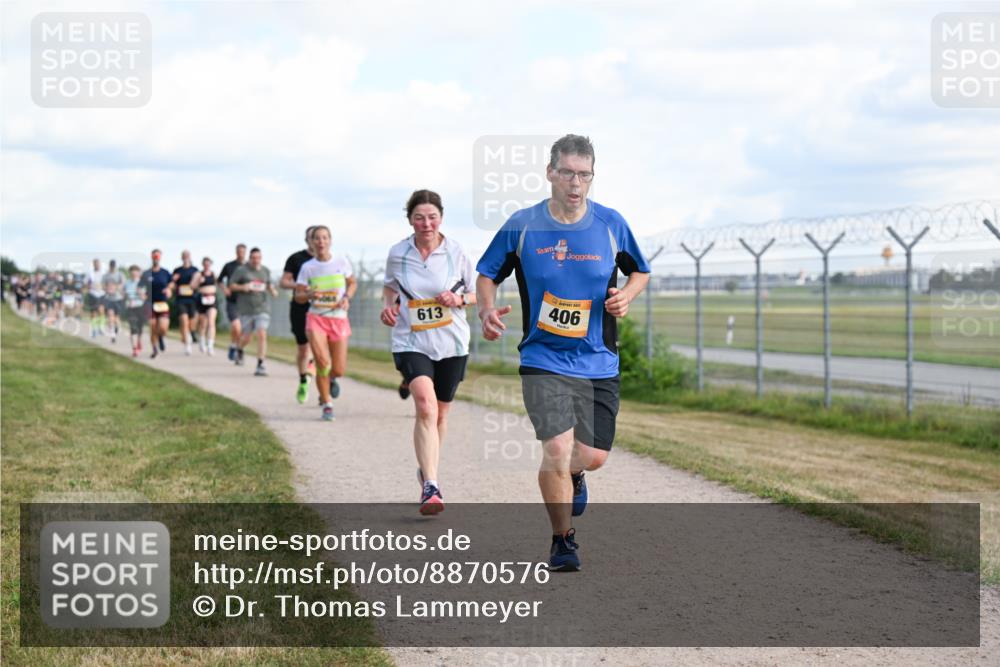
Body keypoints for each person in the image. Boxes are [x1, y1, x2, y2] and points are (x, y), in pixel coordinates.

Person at [475, 134, 650, 571]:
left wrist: (627, 295)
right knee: (555, 447)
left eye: (584, 175)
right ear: (550, 172)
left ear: (592, 178)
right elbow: (486, 273)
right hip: (542, 359)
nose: (576, 183)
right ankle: (563, 540)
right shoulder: (523, 225)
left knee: (592, 456)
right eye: (568, 172)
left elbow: (640, 271)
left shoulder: (611, 224)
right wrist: (485, 309)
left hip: (598, 360)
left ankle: (576, 474)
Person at [381, 190, 476, 515]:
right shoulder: (398, 252)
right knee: (425, 406)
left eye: (432, 216)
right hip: (411, 340)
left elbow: (477, 292)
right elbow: (391, 287)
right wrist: (388, 306)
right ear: (410, 219)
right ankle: (432, 485)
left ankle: (427, 467)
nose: (426, 223)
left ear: (441, 218)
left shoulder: (456, 251)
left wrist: (459, 300)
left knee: (441, 414)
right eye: (419, 217)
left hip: (451, 342)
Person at [295, 226, 356, 421]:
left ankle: (331, 379)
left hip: (338, 318)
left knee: (338, 369)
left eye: (324, 238)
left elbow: (352, 283)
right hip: (316, 318)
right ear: (311, 242)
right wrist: (309, 294)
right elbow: (298, 296)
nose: (320, 242)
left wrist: (347, 296)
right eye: (317, 238)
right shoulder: (308, 267)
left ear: (330, 240)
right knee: (323, 362)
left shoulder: (341, 262)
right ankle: (327, 403)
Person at [281, 227, 317, 403]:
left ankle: (325, 390)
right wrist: (300, 286)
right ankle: (304, 379)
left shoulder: (330, 261)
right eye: (313, 237)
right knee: (304, 349)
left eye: (320, 237)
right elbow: (284, 282)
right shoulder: (296, 259)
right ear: (307, 240)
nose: (317, 241)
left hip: (323, 309)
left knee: (321, 348)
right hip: (300, 307)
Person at [230, 247, 278, 375]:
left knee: (262, 333)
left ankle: (260, 364)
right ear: (249, 258)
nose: (256, 260)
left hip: (262, 308)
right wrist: (243, 287)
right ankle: (239, 349)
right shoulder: (241, 271)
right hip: (246, 309)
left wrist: (272, 290)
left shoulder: (265, 271)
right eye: (253, 258)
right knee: (246, 337)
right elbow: (231, 286)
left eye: (258, 258)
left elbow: (268, 284)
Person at [142, 249, 174, 358]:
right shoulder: (146, 273)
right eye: (154, 256)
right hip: (149, 303)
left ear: (160, 258)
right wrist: (141, 294)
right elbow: (140, 287)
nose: (156, 258)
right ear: (151, 257)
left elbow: (171, 284)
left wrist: (169, 289)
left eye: (157, 256)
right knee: (152, 326)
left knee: (163, 327)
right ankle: (154, 349)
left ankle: (161, 337)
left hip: (162, 303)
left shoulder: (165, 272)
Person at [219, 244, 248, 362]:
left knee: (242, 330)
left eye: (243, 251)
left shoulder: (249, 266)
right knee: (236, 326)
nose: (240, 253)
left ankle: (236, 348)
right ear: (236, 252)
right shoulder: (229, 266)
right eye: (239, 251)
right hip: (232, 301)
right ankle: (234, 345)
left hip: (246, 302)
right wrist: (224, 289)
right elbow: (219, 280)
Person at [171, 250, 199, 355]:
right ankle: (187, 345)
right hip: (181, 299)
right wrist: (173, 281)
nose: (186, 257)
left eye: (187, 255)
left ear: (190, 257)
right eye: (184, 256)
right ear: (181, 257)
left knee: (192, 323)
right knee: (184, 320)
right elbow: (172, 284)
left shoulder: (195, 270)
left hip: (192, 299)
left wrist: (195, 283)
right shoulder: (177, 270)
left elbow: (198, 284)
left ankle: (191, 333)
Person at [192, 256, 218, 355]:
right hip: (202, 300)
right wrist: (199, 281)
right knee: (203, 324)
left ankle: (210, 345)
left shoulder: (214, 274)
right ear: (203, 265)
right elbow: (192, 286)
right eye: (205, 264)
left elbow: (217, 284)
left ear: (211, 264)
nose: (207, 266)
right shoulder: (198, 274)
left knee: (211, 322)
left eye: (209, 264)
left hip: (212, 300)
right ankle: (202, 341)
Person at [123, 264, 147, 356]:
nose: (133, 275)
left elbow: (146, 297)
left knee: (140, 329)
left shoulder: (142, 283)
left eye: (135, 273)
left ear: (138, 273)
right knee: (133, 328)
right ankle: (134, 348)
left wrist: (141, 294)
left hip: (141, 307)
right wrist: (124, 296)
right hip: (130, 308)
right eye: (131, 273)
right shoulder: (127, 283)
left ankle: (139, 341)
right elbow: (124, 295)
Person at [102, 259, 124, 344]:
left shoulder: (119, 274)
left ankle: (116, 329)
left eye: (113, 266)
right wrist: (107, 289)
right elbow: (103, 285)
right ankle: (112, 334)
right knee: (110, 315)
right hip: (109, 298)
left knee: (117, 318)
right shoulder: (106, 275)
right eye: (111, 266)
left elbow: (122, 284)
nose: (112, 267)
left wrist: (116, 288)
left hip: (118, 298)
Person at [85, 258, 106, 337]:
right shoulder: (90, 273)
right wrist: (90, 286)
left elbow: (106, 282)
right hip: (93, 294)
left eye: (98, 264)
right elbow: (86, 283)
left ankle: (101, 327)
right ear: (93, 264)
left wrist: (103, 287)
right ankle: (94, 329)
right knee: (93, 313)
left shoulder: (103, 273)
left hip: (101, 293)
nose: (97, 265)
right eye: (95, 264)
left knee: (101, 310)